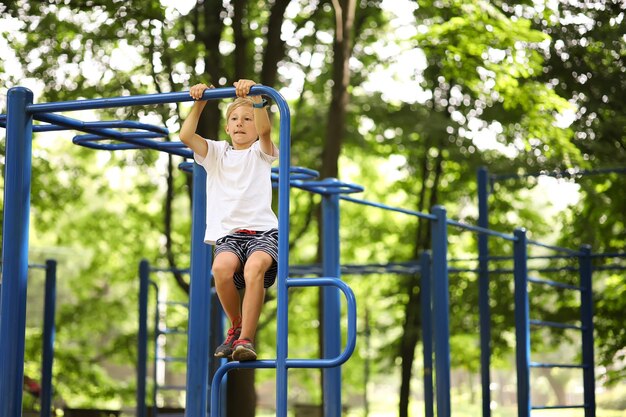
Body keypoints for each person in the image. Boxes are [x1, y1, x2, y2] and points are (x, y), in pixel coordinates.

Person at [180, 79, 279, 361]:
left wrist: (257, 96)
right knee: (220, 270)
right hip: (230, 234)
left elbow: (265, 129)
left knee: (254, 268)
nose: (240, 124)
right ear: (226, 127)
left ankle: (246, 339)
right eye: (234, 119)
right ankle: (235, 326)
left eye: (247, 119)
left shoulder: (262, 151)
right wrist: (200, 102)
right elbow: (186, 135)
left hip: (263, 232)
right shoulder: (216, 154)